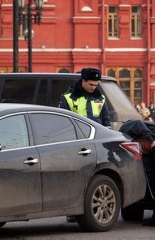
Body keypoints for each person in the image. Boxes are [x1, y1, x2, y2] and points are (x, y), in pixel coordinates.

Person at [59, 67, 111, 222]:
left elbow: (105, 122)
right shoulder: (68, 98)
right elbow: (62, 124)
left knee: (93, 178)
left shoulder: (100, 99)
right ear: (83, 81)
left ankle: (89, 211)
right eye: (90, 84)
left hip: (95, 145)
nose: (93, 88)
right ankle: (72, 211)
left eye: (95, 85)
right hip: (74, 145)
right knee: (74, 177)